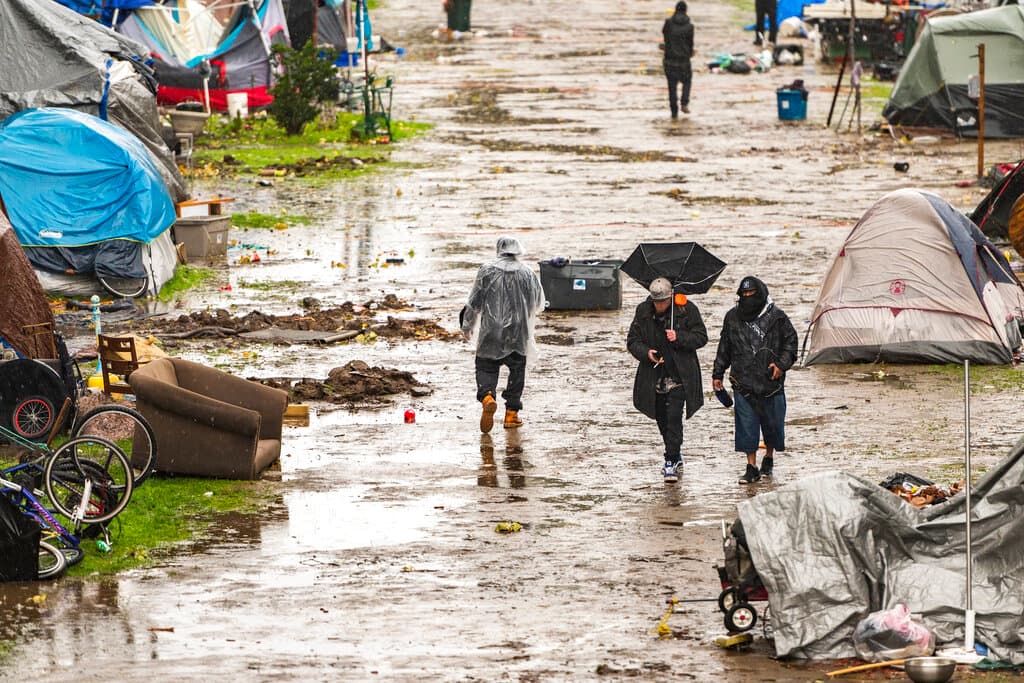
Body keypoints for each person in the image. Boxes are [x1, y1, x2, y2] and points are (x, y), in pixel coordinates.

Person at [712, 276, 798, 485]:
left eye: (752, 295)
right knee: (746, 427)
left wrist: (781, 365)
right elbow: (725, 346)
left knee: (773, 426)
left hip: (771, 383)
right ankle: (751, 467)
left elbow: (791, 343)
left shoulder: (777, 317)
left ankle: (768, 457)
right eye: (744, 295)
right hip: (743, 382)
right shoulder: (732, 317)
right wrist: (717, 373)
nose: (748, 298)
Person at [627, 277, 707, 483]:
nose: (660, 305)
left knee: (674, 418)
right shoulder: (643, 311)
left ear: (670, 297)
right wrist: (647, 353)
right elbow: (632, 341)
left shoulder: (686, 309)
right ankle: (675, 452)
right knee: (662, 418)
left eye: (663, 301)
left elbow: (701, 337)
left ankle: (670, 461)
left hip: (680, 376)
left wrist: (679, 337)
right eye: (656, 302)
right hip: (654, 375)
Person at [461, 237, 544, 434]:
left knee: (486, 366)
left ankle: (488, 396)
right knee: (517, 370)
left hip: (491, 330)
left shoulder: (486, 271)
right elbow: (538, 302)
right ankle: (511, 414)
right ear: (518, 251)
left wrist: (468, 325)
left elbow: (475, 301)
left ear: (499, 249)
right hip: (518, 331)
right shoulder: (527, 273)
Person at [662, 1, 695, 118]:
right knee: (687, 81)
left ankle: (674, 112)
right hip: (684, 61)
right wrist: (690, 53)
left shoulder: (668, 23)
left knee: (672, 87)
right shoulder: (690, 27)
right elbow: (690, 43)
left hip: (669, 60)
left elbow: (665, 37)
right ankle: (684, 102)